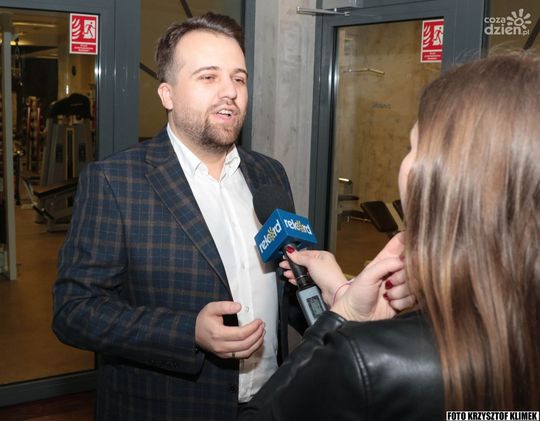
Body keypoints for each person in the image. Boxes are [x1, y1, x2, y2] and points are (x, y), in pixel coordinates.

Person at [238, 52, 540, 420]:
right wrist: (343, 290)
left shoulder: (366, 362)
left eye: (412, 147)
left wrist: (341, 316)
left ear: (444, 178)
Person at [52, 13, 307, 421]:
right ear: (167, 94)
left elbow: (285, 286)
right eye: (209, 77)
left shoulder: (269, 174)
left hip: (271, 401)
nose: (230, 92)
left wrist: (329, 298)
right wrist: (188, 332)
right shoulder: (116, 181)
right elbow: (74, 311)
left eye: (239, 78)